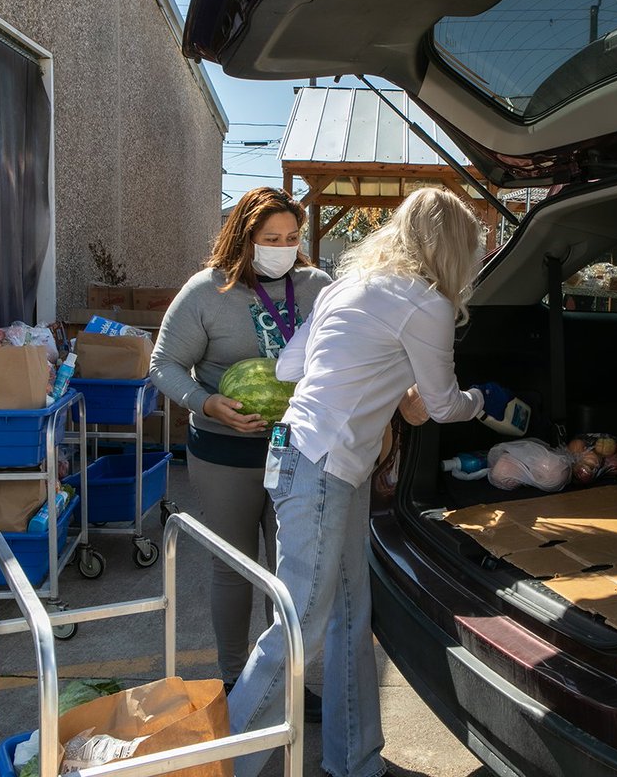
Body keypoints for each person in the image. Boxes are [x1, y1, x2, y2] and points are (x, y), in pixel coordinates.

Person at [227, 188, 514, 777]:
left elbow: (288, 368)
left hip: (305, 460)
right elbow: (438, 404)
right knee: (299, 629)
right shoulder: (426, 304)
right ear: (452, 248)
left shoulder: (342, 287)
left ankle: (355, 763)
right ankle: (216, 764)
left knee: (349, 615)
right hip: (325, 470)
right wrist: (485, 400)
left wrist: (377, 372)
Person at [149, 187, 332, 719]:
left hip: (299, 452)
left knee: (291, 571)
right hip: (224, 455)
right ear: (245, 238)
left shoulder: (318, 287)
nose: (283, 247)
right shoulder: (206, 291)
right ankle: (236, 681)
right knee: (234, 568)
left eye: (292, 238)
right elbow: (163, 366)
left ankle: (288, 680)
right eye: (270, 239)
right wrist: (206, 404)